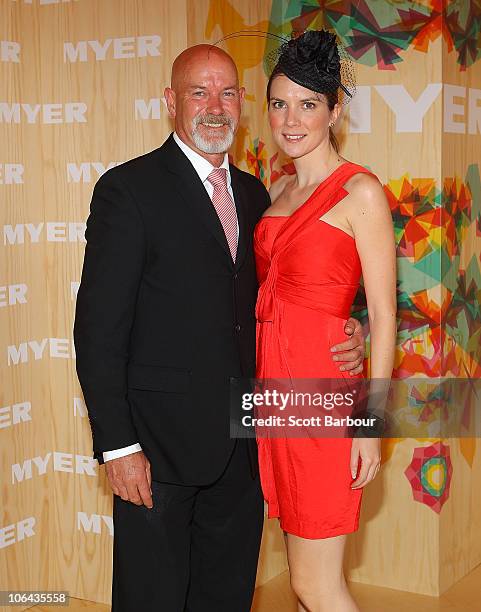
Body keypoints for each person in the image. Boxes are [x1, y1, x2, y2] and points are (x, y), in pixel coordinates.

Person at [73, 43, 365, 612]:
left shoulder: (258, 195)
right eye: (198, 92)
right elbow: (97, 330)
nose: (215, 105)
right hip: (155, 452)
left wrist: (347, 325)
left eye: (227, 92)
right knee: (151, 599)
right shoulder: (127, 191)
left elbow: (280, 297)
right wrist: (118, 445)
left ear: (241, 104)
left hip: (242, 446)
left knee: (227, 597)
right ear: (170, 103)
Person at [254, 30, 397, 612]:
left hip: (323, 402)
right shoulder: (277, 189)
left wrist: (371, 423)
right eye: (279, 102)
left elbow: (384, 316)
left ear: (335, 110)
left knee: (318, 584)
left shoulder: (360, 192)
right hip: (272, 399)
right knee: (300, 580)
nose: (291, 119)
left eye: (308, 104)